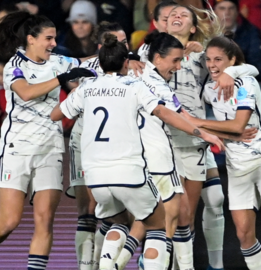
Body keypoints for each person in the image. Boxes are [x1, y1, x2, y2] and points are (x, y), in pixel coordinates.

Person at [50, 33, 221, 270]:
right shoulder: (136, 84)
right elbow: (165, 113)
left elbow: (55, 115)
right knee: (158, 224)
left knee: (117, 223)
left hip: (96, 174)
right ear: (125, 63)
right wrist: (201, 133)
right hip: (132, 167)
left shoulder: (87, 88)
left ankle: (108, 266)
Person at [0, 11, 95, 270]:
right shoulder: (15, 64)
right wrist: (61, 78)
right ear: (31, 39)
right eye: (48, 38)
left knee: (45, 220)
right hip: (17, 150)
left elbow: (86, 61)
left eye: (55, 38)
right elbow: (25, 93)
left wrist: (127, 56)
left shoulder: (58, 61)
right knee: (9, 221)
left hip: (51, 149)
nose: (53, 44)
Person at [137, 5, 258, 270]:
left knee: (191, 213)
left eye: (183, 15)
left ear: (193, 27)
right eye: (172, 15)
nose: (176, 17)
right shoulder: (146, 54)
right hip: (159, 139)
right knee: (164, 213)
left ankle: (207, 264)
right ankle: (154, 262)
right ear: (163, 25)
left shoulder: (203, 57)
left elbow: (249, 68)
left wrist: (230, 72)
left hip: (193, 141)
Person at [183, 34, 261, 270]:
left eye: (219, 59)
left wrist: (197, 122)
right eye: (209, 59)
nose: (212, 64)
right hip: (236, 166)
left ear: (232, 60)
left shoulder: (246, 84)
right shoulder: (207, 89)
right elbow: (232, 131)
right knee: (244, 234)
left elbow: (237, 126)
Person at [67, 21, 129, 270]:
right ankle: (87, 267)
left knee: (109, 211)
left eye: (126, 42)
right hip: (85, 143)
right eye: (119, 42)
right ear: (103, 45)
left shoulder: (132, 66)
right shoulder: (87, 68)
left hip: (117, 147)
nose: (125, 47)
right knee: (87, 212)